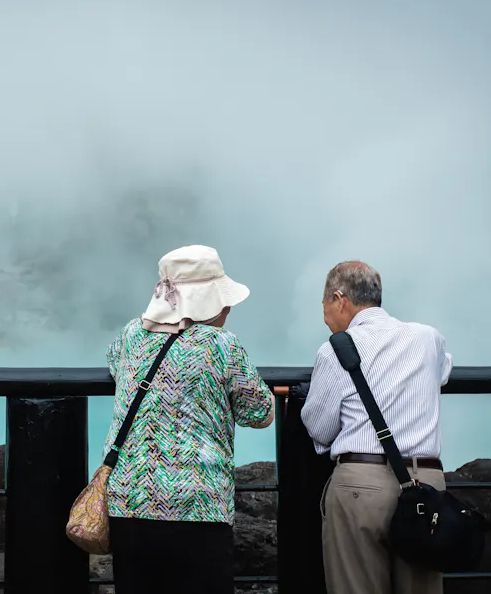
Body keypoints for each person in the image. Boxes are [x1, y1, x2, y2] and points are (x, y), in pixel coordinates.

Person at [103, 244, 274, 594]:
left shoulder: (131, 335)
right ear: (207, 300)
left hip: (129, 504)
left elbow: (115, 367)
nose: (227, 306)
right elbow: (259, 413)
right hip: (196, 506)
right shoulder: (222, 345)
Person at [301, 260, 452, 594]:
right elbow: (442, 373)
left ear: (340, 299)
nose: (324, 315)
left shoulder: (334, 351)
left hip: (360, 484)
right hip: (426, 484)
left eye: (324, 304)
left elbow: (320, 429)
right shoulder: (429, 338)